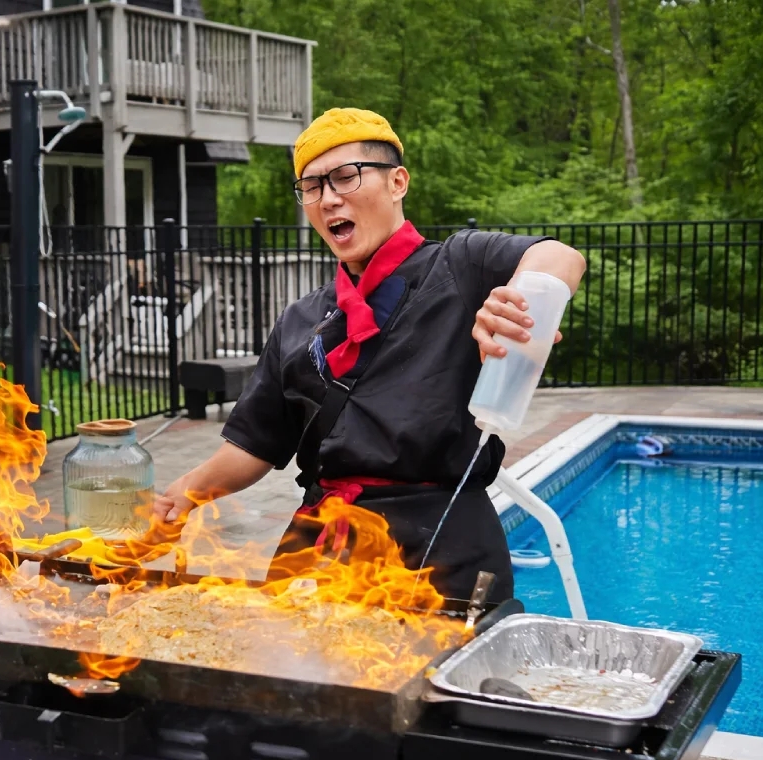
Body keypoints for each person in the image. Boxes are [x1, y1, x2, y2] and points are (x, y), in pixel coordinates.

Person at [153, 108, 585, 604]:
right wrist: (182, 494)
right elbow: (253, 444)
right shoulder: (301, 318)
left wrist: (520, 303)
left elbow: (560, 257)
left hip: (440, 553)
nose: (327, 197)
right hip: (319, 551)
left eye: (344, 176)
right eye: (311, 186)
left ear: (398, 182)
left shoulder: (461, 266)